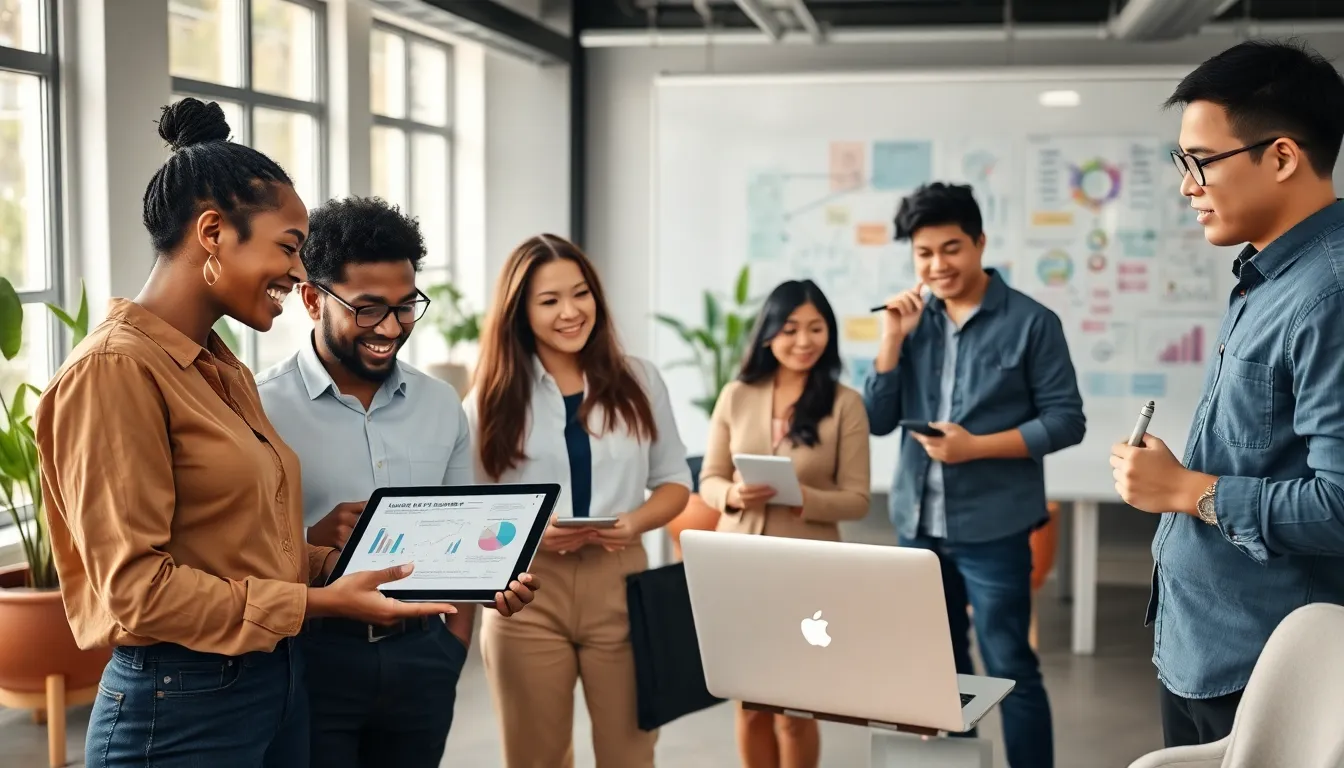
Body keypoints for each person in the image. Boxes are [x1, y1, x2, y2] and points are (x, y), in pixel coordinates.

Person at [32, 98, 457, 768]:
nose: (297, 272)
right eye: (289, 248)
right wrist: (318, 600)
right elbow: (136, 593)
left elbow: (241, 550)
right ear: (212, 232)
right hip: (178, 708)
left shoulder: (219, 367)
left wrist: (359, 569)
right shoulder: (115, 370)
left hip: (270, 686)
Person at [1110, 39, 1344, 749]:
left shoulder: (1328, 293)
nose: (1187, 185)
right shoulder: (1271, 275)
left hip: (1267, 668)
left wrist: (1187, 490)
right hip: (1207, 646)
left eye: (1199, 161)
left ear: (1279, 157)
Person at [255, 196, 539, 768]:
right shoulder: (261, 407)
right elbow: (231, 556)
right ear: (312, 299)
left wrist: (457, 638)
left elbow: (462, 529)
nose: (390, 327)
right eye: (367, 308)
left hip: (422, 661)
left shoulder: (440, 404)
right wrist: (309, 538)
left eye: (406, 306)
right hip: (310, 658)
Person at [863, 182, 1085, 768]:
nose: (938, 266)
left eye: (952, 248)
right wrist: (889, 341)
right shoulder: (911, 324)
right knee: (938, 673)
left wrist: (976, 448)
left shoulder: (1034, 323)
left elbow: (1067, 423)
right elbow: (878, 421)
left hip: (995, 529)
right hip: (918, 524)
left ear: (981, 242)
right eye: (924, 254)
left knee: (1010, 664)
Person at [464, 233, 692, 768]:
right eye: (549, 301)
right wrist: (531, 531)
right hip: (526, 592)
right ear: (520, 311)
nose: (571, 312)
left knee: (630, 754)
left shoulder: (640, 380)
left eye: (581, 293)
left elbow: (675, 481)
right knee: (534, 756)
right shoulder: (490, 399)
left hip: (622, 582)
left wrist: (634, 522)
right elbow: (469, 507)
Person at [698, 279, 870, 768]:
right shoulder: (736, 395)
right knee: (750, 705)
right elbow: (708, 478)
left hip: (806, 571)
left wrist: (805, 500)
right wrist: (732, 493)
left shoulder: (845, 403)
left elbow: (858, 499)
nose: (804, 340)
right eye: (791, 327)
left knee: (796, 709)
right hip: (738, 567)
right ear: (769, 333)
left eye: (817, 328)